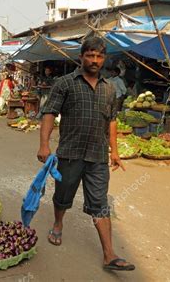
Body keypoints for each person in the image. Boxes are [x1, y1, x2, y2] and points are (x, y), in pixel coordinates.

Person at [37, 37, 135, 271]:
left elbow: (111, 121)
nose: (94, 60)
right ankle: (58, 223)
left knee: (100, 203)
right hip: (70, 153)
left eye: (99, 56)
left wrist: (115, 152)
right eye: (90, 55)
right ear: (81, 57)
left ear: (104, 59)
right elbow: (49, 113)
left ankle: (109, 255)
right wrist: (44, 145)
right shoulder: (65, 83)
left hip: (98, 156)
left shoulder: (109, 88)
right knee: (63, 196)